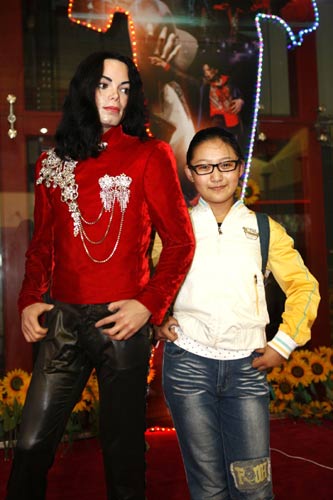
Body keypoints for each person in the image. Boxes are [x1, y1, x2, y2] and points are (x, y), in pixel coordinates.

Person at [6, 51, 195, 500]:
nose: (115, 96)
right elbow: (43, 245)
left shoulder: (151, 154)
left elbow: (181, 242)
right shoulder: (50, 163)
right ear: (85, 90)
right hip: (64, 321)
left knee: (122, 452)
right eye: (105, 85)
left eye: (125, 88)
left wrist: (148, 306)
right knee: (31, 443)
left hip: (122, 322)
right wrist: (30, 297)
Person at [155, 126, 320, 499]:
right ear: (189, 172)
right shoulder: (174, 227)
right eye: (204, 167)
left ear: (240, 168)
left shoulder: (264, 229)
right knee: (209, 488)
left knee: (254, 487)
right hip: (187, 367)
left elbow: (304, 286)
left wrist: (284, 343)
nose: (216, 175)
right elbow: (144, 276)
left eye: (225, 165)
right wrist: (157, 318)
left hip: (248, 369)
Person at [198, 63, 244, 139]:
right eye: (204, 71)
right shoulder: (206, 87)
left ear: (215, 70)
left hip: (232, 121)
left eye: (208, 70)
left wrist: (241, 101)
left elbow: (241, 96)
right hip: (216, 122)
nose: (206, 74)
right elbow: (202, 110)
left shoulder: (229, 81)